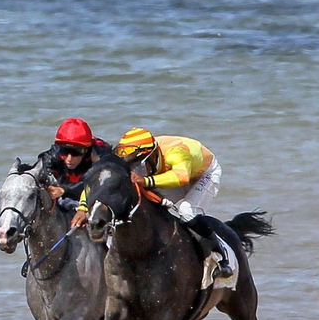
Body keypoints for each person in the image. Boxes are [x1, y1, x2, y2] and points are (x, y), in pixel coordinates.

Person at [74, 128, 232, 279]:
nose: (135, 169)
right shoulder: (132, 155)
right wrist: (83, 208)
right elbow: (99, 185)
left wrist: (146, 180)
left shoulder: (176, 152)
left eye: (138, 165)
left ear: (150, 155)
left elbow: (182, 177)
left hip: (203, 174)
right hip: (169, 173)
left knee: (186, 211)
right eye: (132, 165)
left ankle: (220, 258)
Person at [37, 118, 111, 205]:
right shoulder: (55, 152)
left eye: (76, 152)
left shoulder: (100, 154)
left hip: (89, 196)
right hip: (64, 188)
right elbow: (40, 167)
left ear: (87, 149)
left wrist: (64, 190)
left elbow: (98, 183)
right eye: (65, 151)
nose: (69, 158)